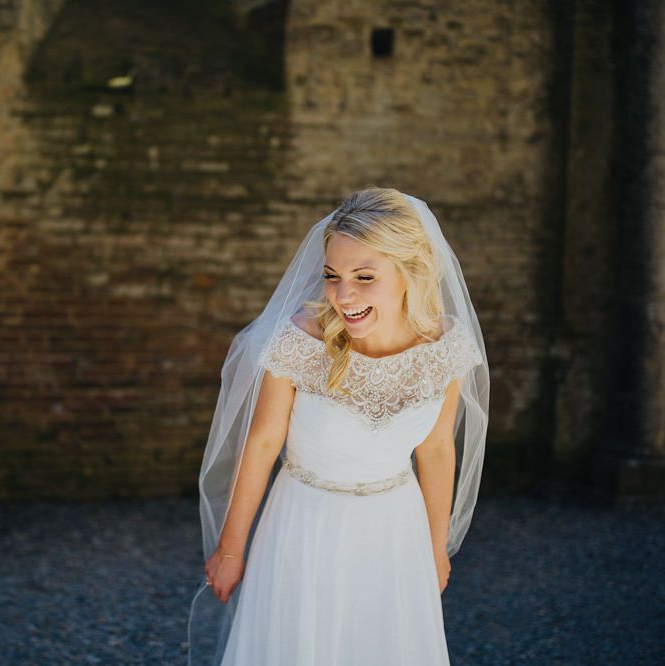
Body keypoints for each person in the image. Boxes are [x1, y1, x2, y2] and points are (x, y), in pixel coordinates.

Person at [185, 187, 490, 666]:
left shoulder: (445, 348)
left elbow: (435, 452)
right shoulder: (299, 343)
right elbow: (263, 443)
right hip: (303, 525)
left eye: (364, 277)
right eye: (332, 276)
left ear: (411, 271)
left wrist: (435, 550)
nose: (343, 295)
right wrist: (231, 548)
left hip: (395, 530)